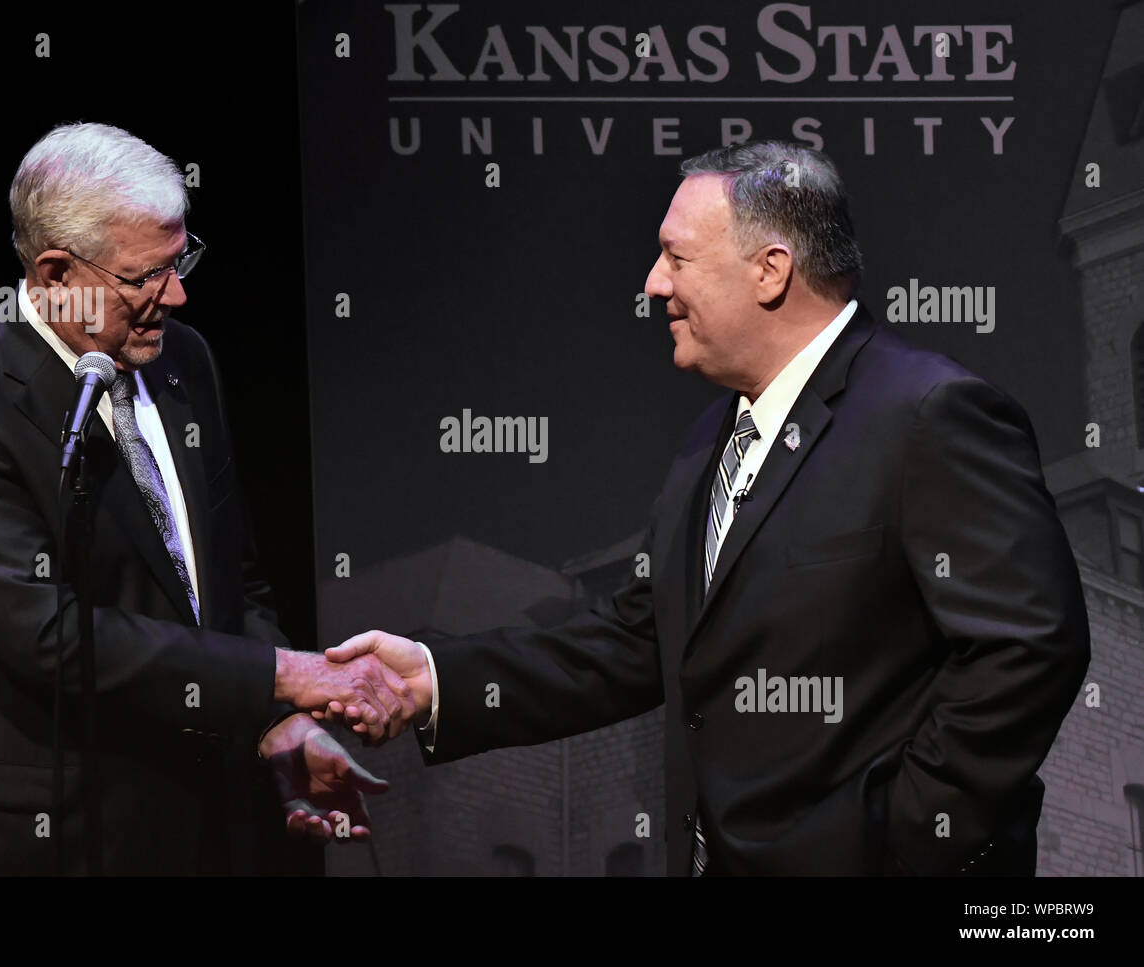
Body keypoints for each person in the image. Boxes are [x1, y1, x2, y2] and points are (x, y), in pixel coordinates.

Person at [320, 141, 1092, 875]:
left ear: (771, 270)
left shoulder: (929, 414)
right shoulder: (707, 443)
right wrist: (432, 676)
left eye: (676, 257)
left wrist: (903, 839)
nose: (654, 282)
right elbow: (633, 640)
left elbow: (1028, 650)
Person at [0, 122, 416, 875]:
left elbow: (231, 582)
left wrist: (275, 724)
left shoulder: (183, 362)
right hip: (40, 841)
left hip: (199, 830)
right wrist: (286, 675)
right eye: (145, 276)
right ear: (56, 273)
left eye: (181, 260)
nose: (177, 292)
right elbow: (50, 638)